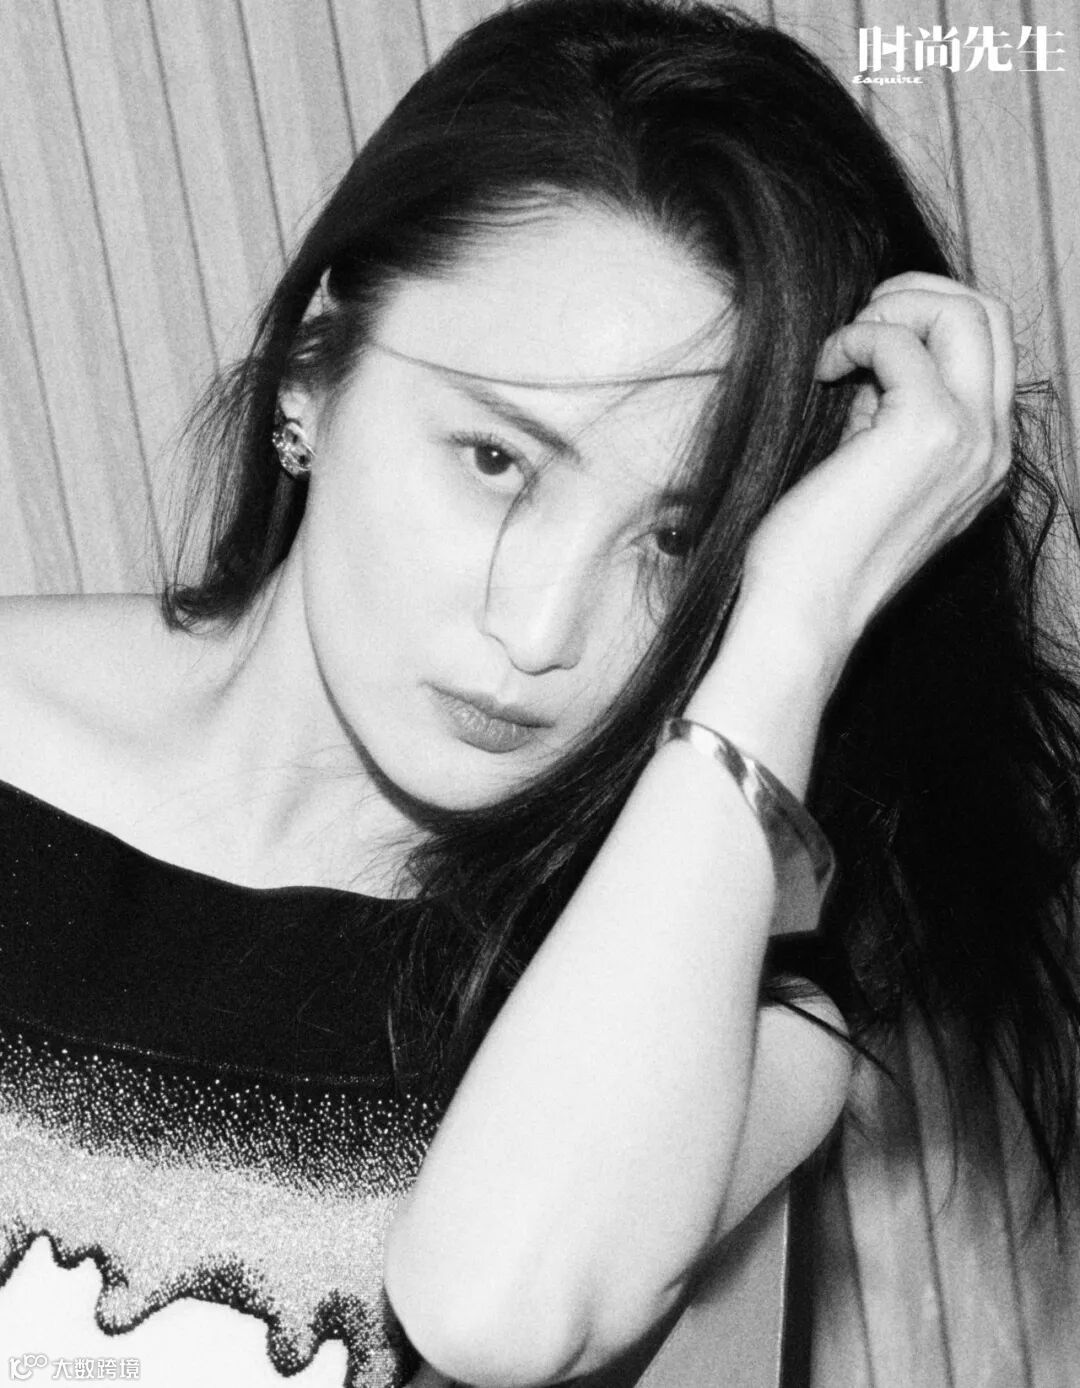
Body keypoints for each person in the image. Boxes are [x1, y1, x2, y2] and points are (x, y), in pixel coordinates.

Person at [0, 1, 1077, 1385]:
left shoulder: (708, 980)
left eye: (677, 538)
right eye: (496, 460)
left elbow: (499, 1310)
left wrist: (797, 614)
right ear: (315, 372)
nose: (542, 628)